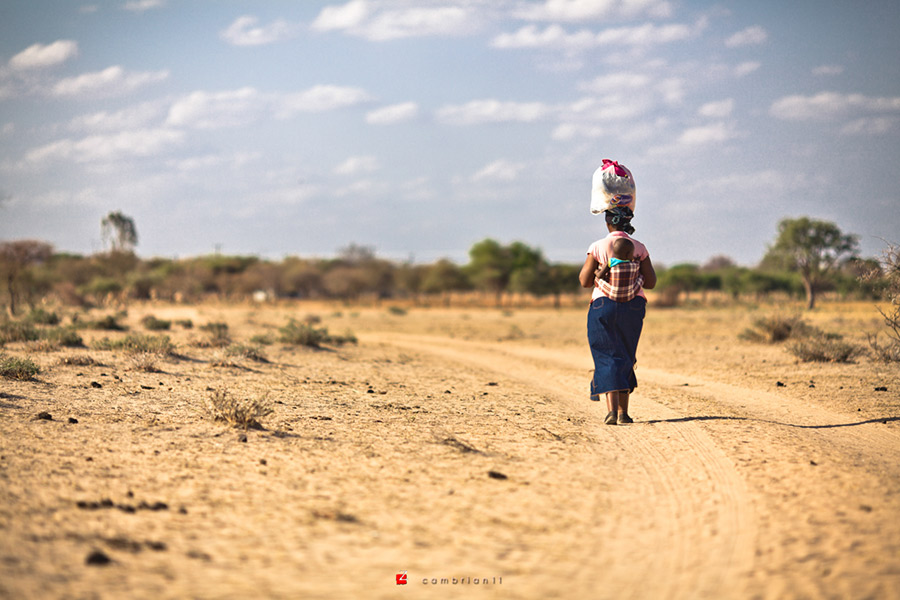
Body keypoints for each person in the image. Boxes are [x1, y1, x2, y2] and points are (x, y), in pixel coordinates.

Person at [579, 160, 656, 425]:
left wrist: (601, 271)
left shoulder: (597, 246)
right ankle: (624, 413)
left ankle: (611, 412)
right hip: (633, 307)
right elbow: (651, 282)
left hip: (603, 307)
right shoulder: (639, 247)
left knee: (606, 355)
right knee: (625, 355)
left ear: (607, 221)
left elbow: (584, 281)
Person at [593, 237, 643, 303]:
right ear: (628, 254)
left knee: (597, 279)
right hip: (629, 295)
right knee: (642, 277)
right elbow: (637, 265)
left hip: (613, 295)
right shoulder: (634, 264)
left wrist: (596, 271)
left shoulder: (611, 262)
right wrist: (637, 260)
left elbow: (600, 275)